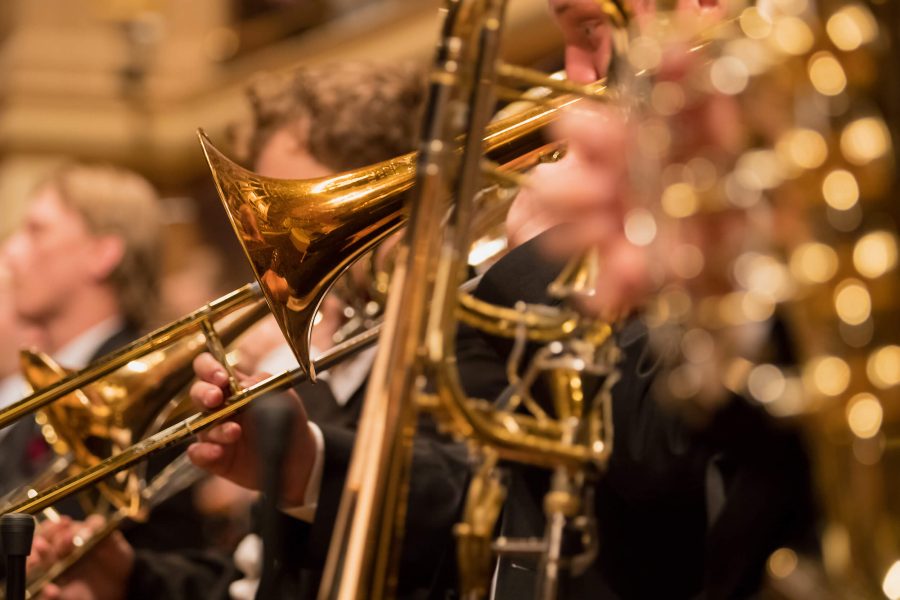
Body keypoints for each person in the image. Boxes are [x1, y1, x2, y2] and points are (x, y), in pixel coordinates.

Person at [29, 60, 431, 600]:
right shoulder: (335, 356)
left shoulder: (426, 346)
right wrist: (129, 579)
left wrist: (306, 465)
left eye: (298, 206)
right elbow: (256, 580)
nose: (279, 242)